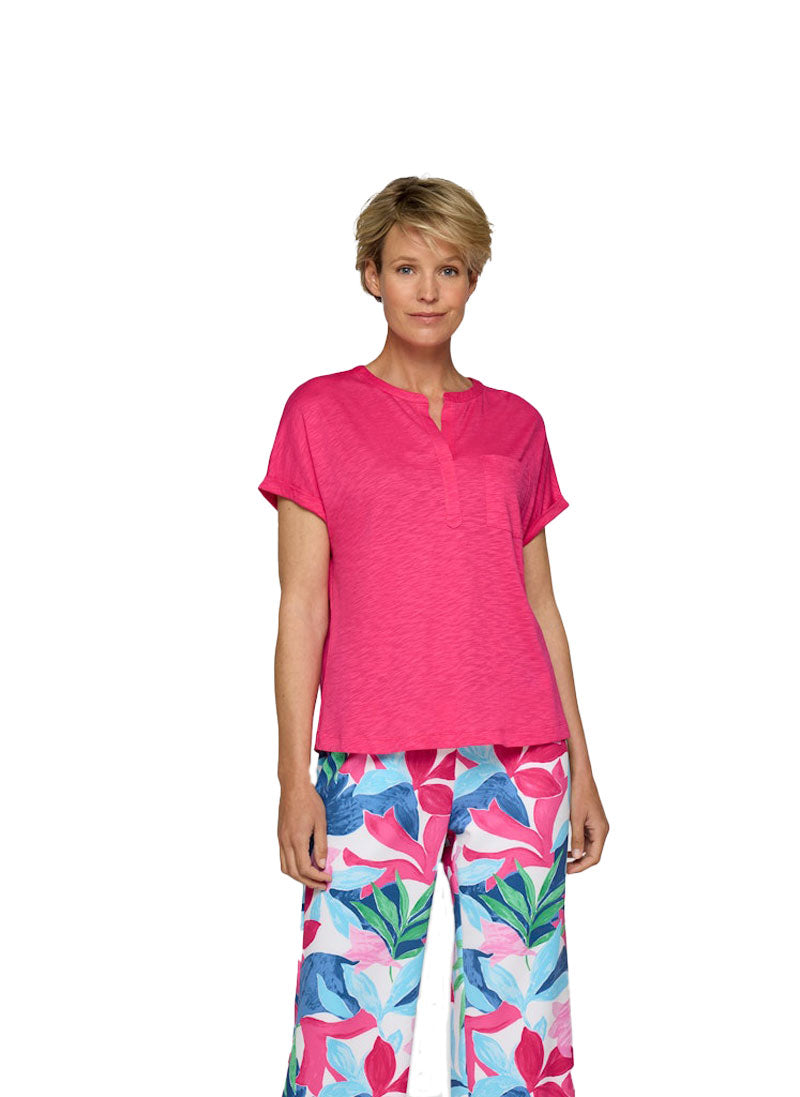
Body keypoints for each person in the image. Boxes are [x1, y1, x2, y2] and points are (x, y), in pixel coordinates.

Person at [257, 175, 609, 1095]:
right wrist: (293, 777)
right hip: (373, 760)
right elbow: (301, 606)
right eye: (407, 267)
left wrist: (582, 766)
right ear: (370, 275)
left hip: (521, 758)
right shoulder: (317, 413)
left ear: (473, 280)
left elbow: (541, 605)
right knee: (349, 1028)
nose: (427, 289)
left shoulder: (518, 425)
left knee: (521, 1027)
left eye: (448, 269)